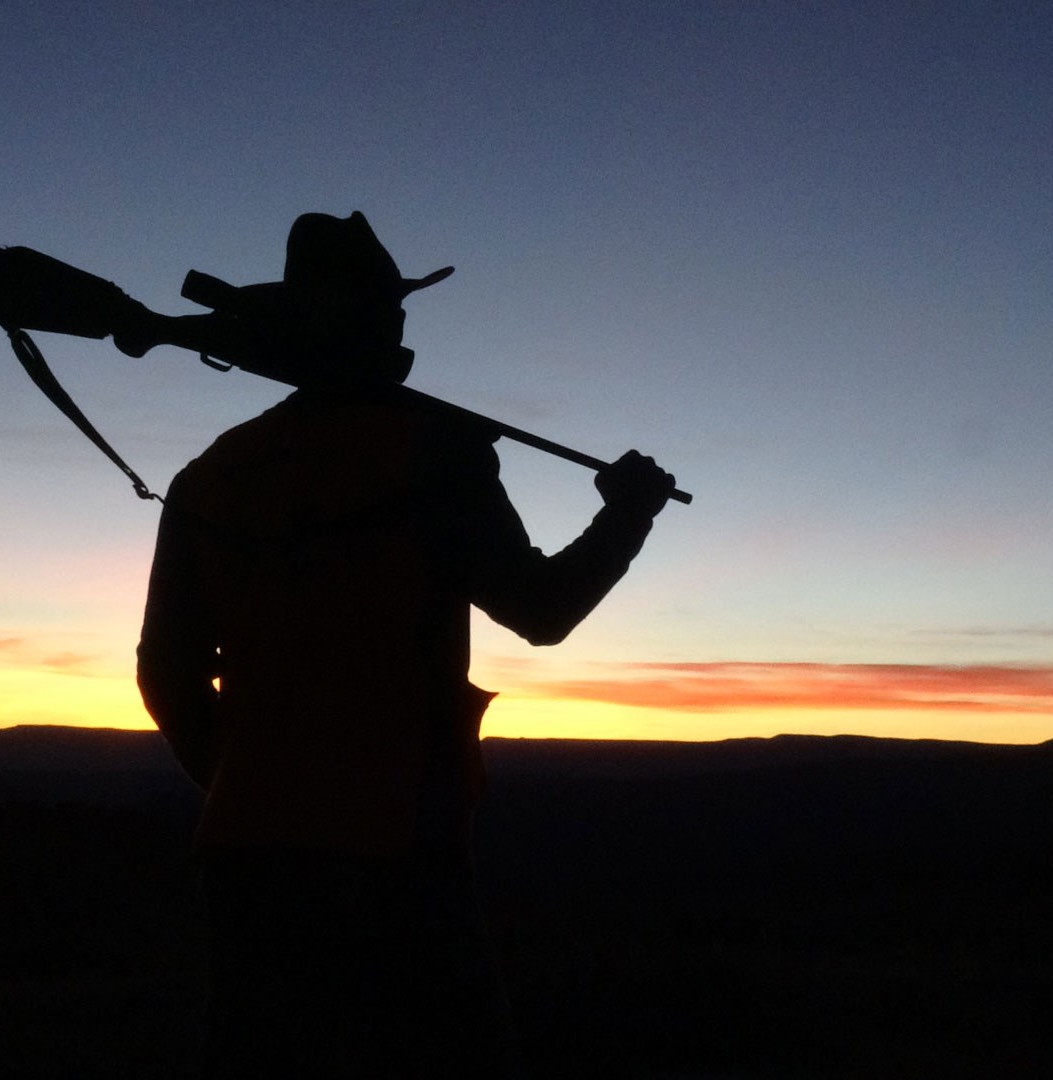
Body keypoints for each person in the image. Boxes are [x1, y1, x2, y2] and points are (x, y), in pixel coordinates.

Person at [136, 211, 675, 1078]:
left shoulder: (210, 473)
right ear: (378, 320)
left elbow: (165, 673)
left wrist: (256, 779)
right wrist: (627, 514)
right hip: (401, 851)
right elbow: (540, 611)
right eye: (390, 308)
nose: (397, 323)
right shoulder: (435, 453)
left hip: (246, 851)